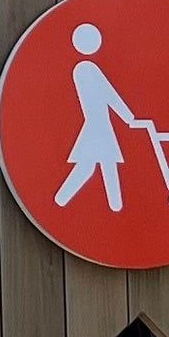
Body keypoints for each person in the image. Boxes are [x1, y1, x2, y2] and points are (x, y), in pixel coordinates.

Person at [54, 18, 139, 214]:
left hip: (99, 123)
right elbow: (110, 95)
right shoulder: (87, 69)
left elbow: (109, 96)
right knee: (97, 165)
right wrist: (128, 117)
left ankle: (116, 207)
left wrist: (127, 117)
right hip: (97, 124)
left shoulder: (83, 69)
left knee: (100, 165)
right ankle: (62, 200)